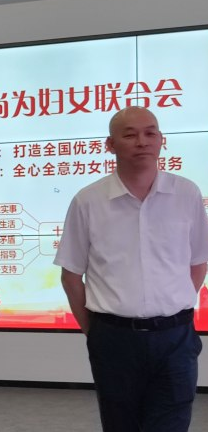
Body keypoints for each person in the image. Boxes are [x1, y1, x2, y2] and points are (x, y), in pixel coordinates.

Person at [54, 106, 208, 432]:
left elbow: (198, 263)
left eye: (150, 133)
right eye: (130, 134)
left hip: (176, 338)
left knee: (172, 424)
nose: (142, 141)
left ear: (161, 140)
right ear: (110, 145)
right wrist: (95, 332)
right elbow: (71, 276)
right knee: (121, 425)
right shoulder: (88, 201)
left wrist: (170, 305)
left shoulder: (187, 194)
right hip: (114, 339)